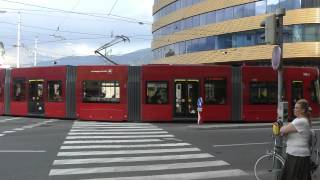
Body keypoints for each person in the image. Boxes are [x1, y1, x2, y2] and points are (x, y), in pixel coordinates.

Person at [280, 99, 312, 180]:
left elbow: (282, 130)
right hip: (294, 154)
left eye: (297, 108)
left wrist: (284, 129)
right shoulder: (297, 120)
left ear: (303, 110)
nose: (294, 109)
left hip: (298, 156)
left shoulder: (301, 121)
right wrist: (285, 130)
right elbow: (284, 132)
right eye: (294, 107)